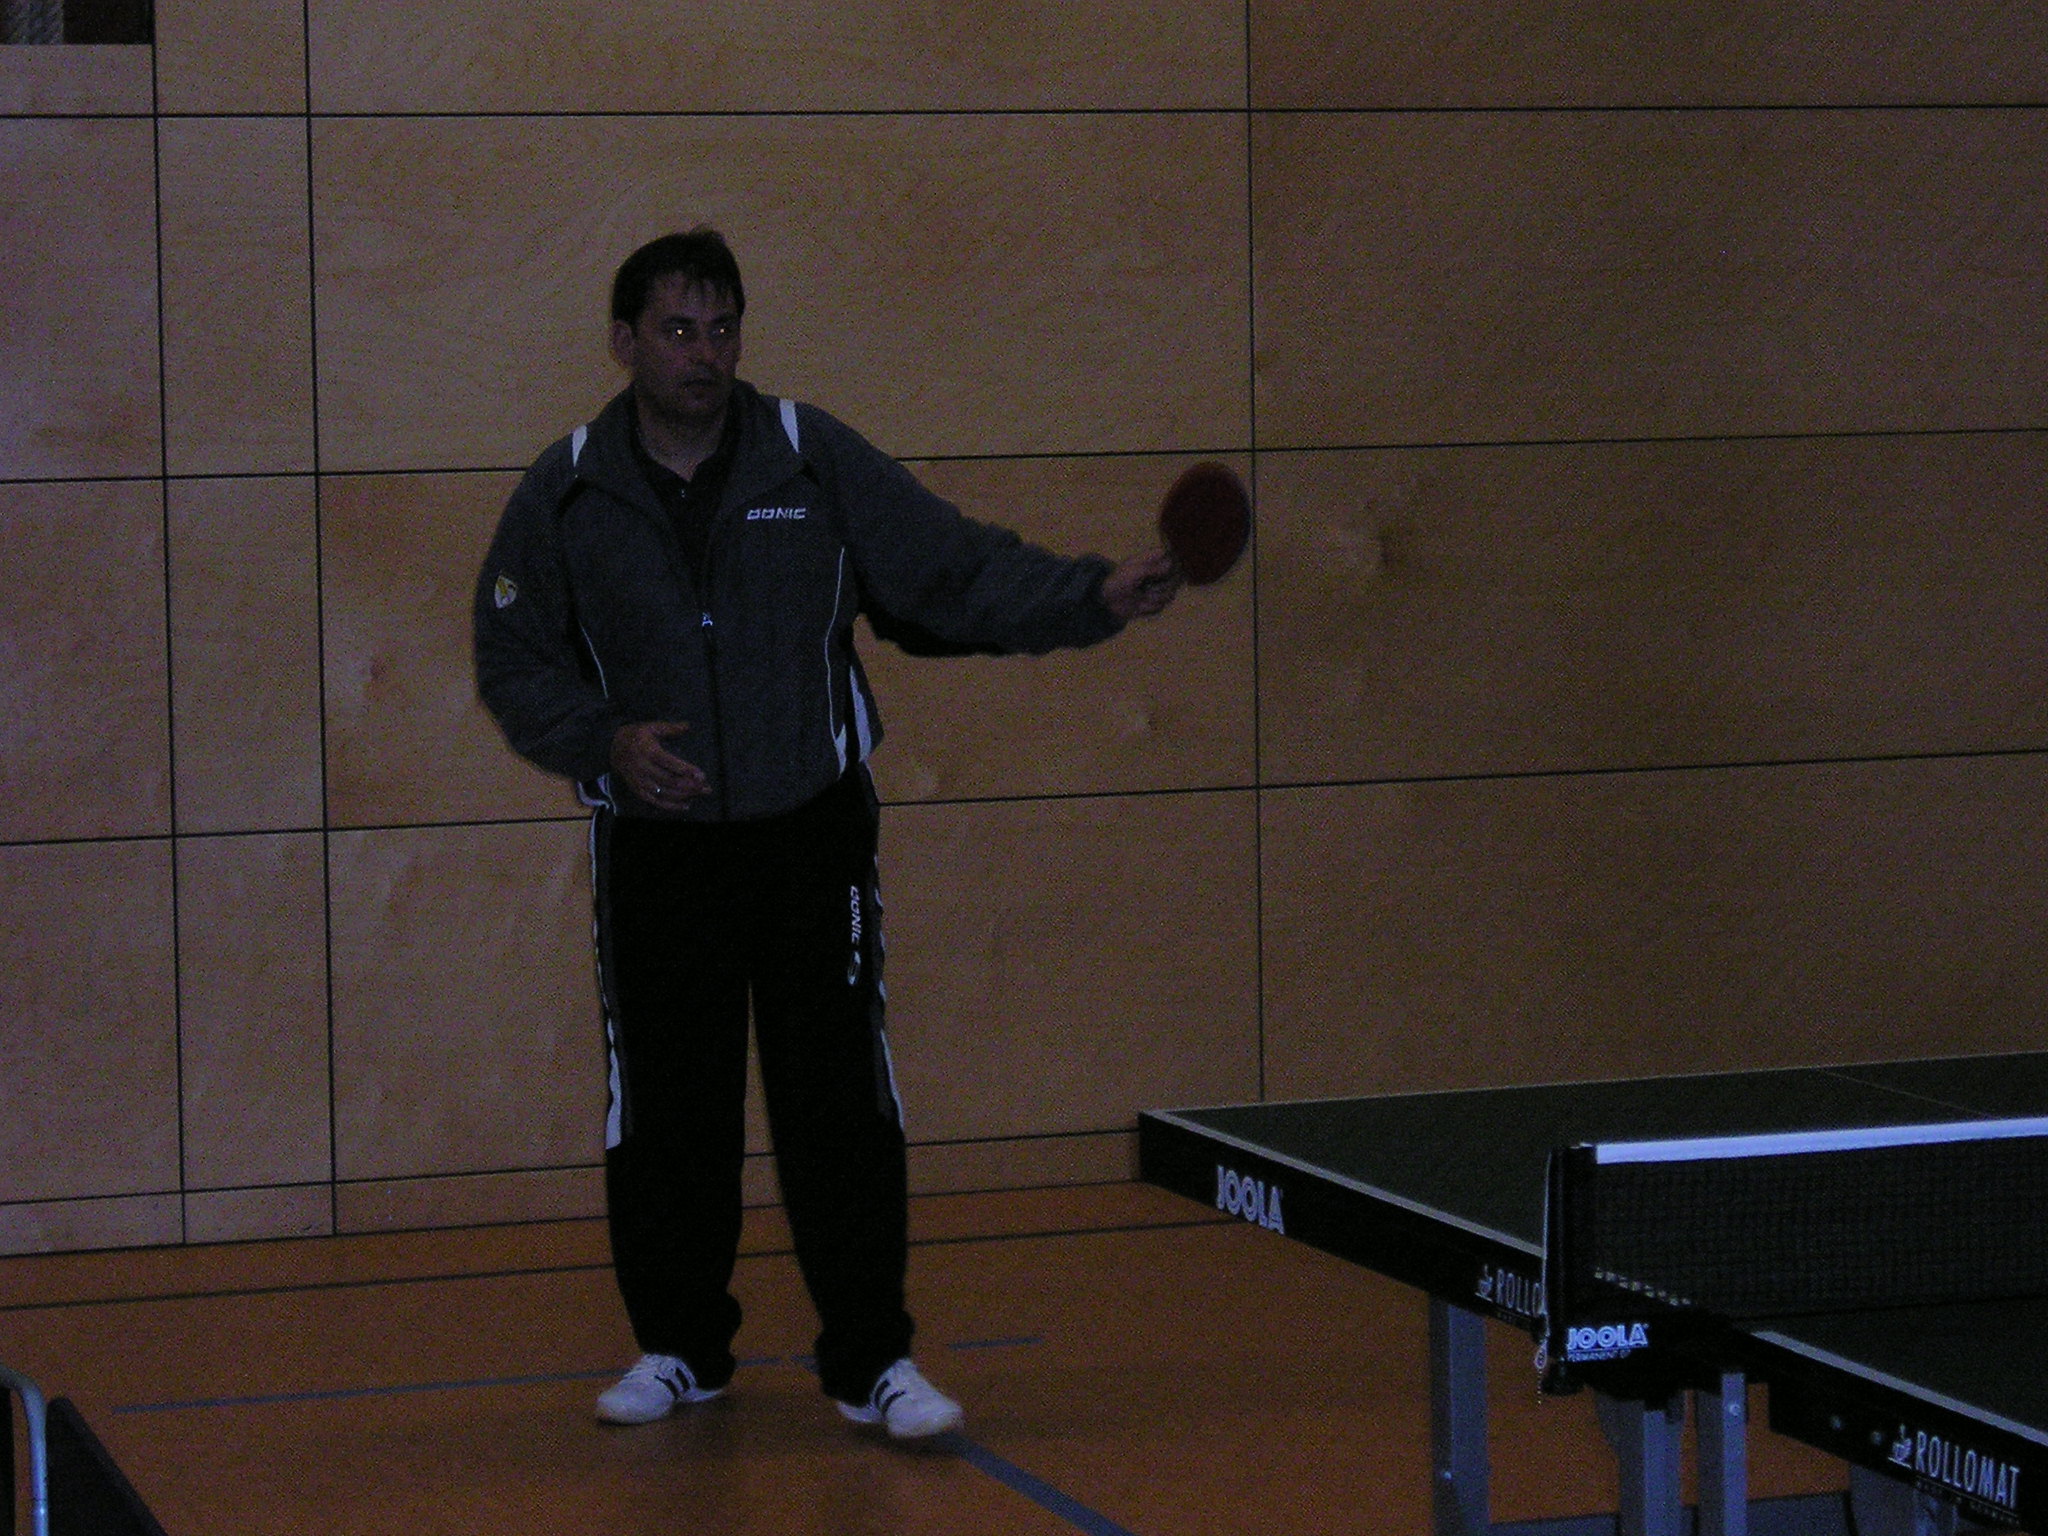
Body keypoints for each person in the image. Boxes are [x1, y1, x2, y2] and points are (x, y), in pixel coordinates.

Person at [473, 227, 1180, 1440]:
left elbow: (950, 572)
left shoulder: (807, 455)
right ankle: (680, 1349)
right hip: (656, 848)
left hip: (809, 839)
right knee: (667, 1107)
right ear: (624, 342)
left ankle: (870, 1364)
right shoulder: (567, 488)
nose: (703, 352)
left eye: (722, 327)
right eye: (678, 329)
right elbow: (512, 655)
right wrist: (601, 743)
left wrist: (1091, 595)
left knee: (837, 1103)